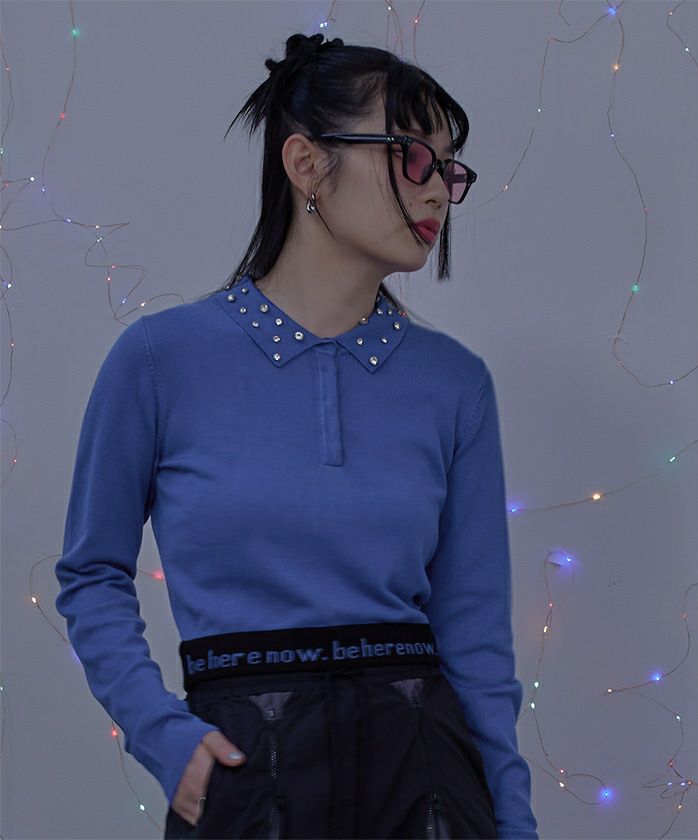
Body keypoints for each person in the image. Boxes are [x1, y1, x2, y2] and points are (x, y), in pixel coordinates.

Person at [55, 31, 539, 840]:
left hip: (427, 785)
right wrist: (163, 736)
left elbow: (477, 642)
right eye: (413, 156)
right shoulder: (160, 360)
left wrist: (514, 824)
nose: (438, 191)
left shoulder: (455, 384)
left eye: (449, 170)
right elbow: (91, 573)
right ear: (307, 163)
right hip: (250, 777)